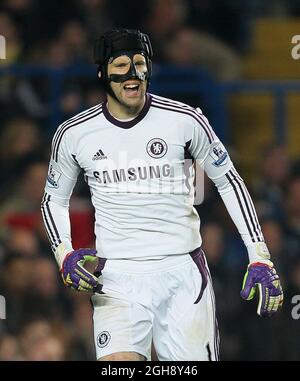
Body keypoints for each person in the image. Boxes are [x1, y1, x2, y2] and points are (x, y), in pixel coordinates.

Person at [41, 28, 283, 361]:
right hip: (116, 277)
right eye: (122, 64)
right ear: (102, 73)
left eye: (140, 63)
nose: (133, 74)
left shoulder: (185, 120)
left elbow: (230, 182)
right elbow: (53, 199)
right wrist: (64, 254)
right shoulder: (73, 134)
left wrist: (259, 255)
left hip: (182, 273)